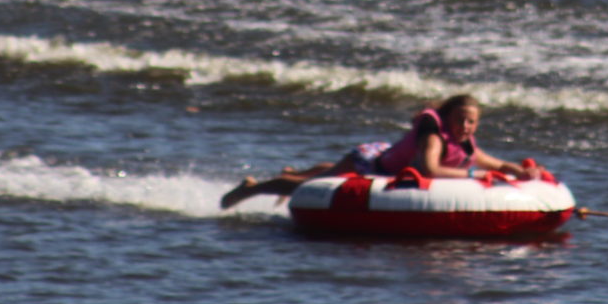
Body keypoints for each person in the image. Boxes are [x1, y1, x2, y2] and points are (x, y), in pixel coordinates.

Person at [223, 95, 531, 206]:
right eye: (460, 119)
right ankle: (252, 189)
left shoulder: (464, 142)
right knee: (315, 185)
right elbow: (430, 169)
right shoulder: (434, 137)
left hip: (383, 156)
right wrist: (474, 175)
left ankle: (293, 173)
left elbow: (491, 161)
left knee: (333, 171)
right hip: (373, 164)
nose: (465, 126)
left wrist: (516, 169)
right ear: (448, 117)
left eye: (471, 121)